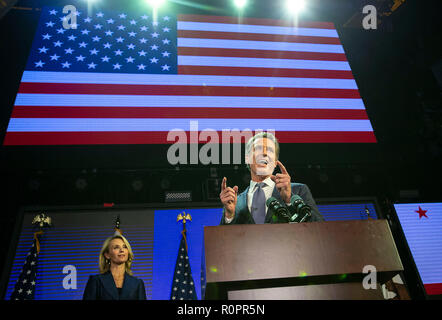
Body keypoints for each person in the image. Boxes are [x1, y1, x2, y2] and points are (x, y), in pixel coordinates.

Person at [220, 132, 324, 224]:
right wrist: (229, 217)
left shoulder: (298, 191)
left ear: (275, 162)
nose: (264, 153)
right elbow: (224, 240)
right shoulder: (235, 202)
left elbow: (319, 228)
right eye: (258, 148)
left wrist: (288, 200)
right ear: (247, 159)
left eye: (269, 150)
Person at [83, 234, 146, 300]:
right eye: (116, 247)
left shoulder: (137, 283)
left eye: (124, 247)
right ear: (107, 255)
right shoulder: (96, 281)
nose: (122, 250)